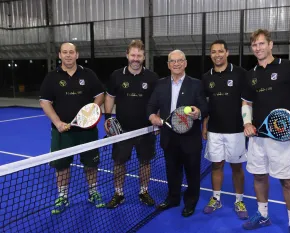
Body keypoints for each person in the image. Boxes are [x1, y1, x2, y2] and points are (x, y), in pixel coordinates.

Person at [241, 29, 290, 233]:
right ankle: (263, 215)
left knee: (288, 181)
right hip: (257, 138)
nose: (258, 48)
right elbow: (246, 103)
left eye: (261, 44)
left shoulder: (286, 67)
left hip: (283, 137)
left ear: (270, 45)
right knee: (259, 177)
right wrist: (246, 123)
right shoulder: (250, 74)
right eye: (254, 45)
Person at [39, 42, 105, 214]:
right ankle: (63, 196)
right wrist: (58, 122)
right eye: (64, 52)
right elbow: (45, 102)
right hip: (62, 132)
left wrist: (91, 112)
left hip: (87, 131)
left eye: (71, 52)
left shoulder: (88, 74)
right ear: (59, 55)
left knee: (91, 164)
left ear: (77, 55)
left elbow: (100, 96)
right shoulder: (52, 77)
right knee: (61, 166)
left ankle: (93, 192)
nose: (68, 55)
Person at [147, 50, 208, 217]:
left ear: (185, 63)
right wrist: (152, 116)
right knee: (172, 171)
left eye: (180, 60)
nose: (176, 64)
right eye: (172, 61)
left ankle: (190, 202)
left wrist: (198, 112)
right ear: (168, 65)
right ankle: (173, 198)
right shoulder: (160, 84)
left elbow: (204, 107)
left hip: (190, 139)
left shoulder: (196, 84)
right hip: (169, 137)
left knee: (192, 173)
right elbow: (151, 106)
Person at [104, 39, 159, 208]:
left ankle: (143, 191)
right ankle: (119, 193)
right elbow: (110, 97)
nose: (136, 58)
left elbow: (157, 101)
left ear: (144, 57)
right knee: (119, 163)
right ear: (127, 55)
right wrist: (108, 118)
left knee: (145, 162)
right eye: (133, 55)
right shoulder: (116, 75)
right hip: (122, 130)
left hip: (146, 130)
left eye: (139, 55)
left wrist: (156, 122)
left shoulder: (152, 77)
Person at [201, 40, 248, 219]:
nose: (217, 55)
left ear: (227, 53)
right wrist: (205, 125)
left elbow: (247, 101)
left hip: (236, 130)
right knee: (217, 165)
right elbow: (206, 105)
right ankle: (216, 198)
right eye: (213, 52)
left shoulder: (240, 74)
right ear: (210, 55)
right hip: (214, 130)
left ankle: (239, 200)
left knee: (237, 167)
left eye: (221, 51)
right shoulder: (206, 77)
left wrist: (247, 122)